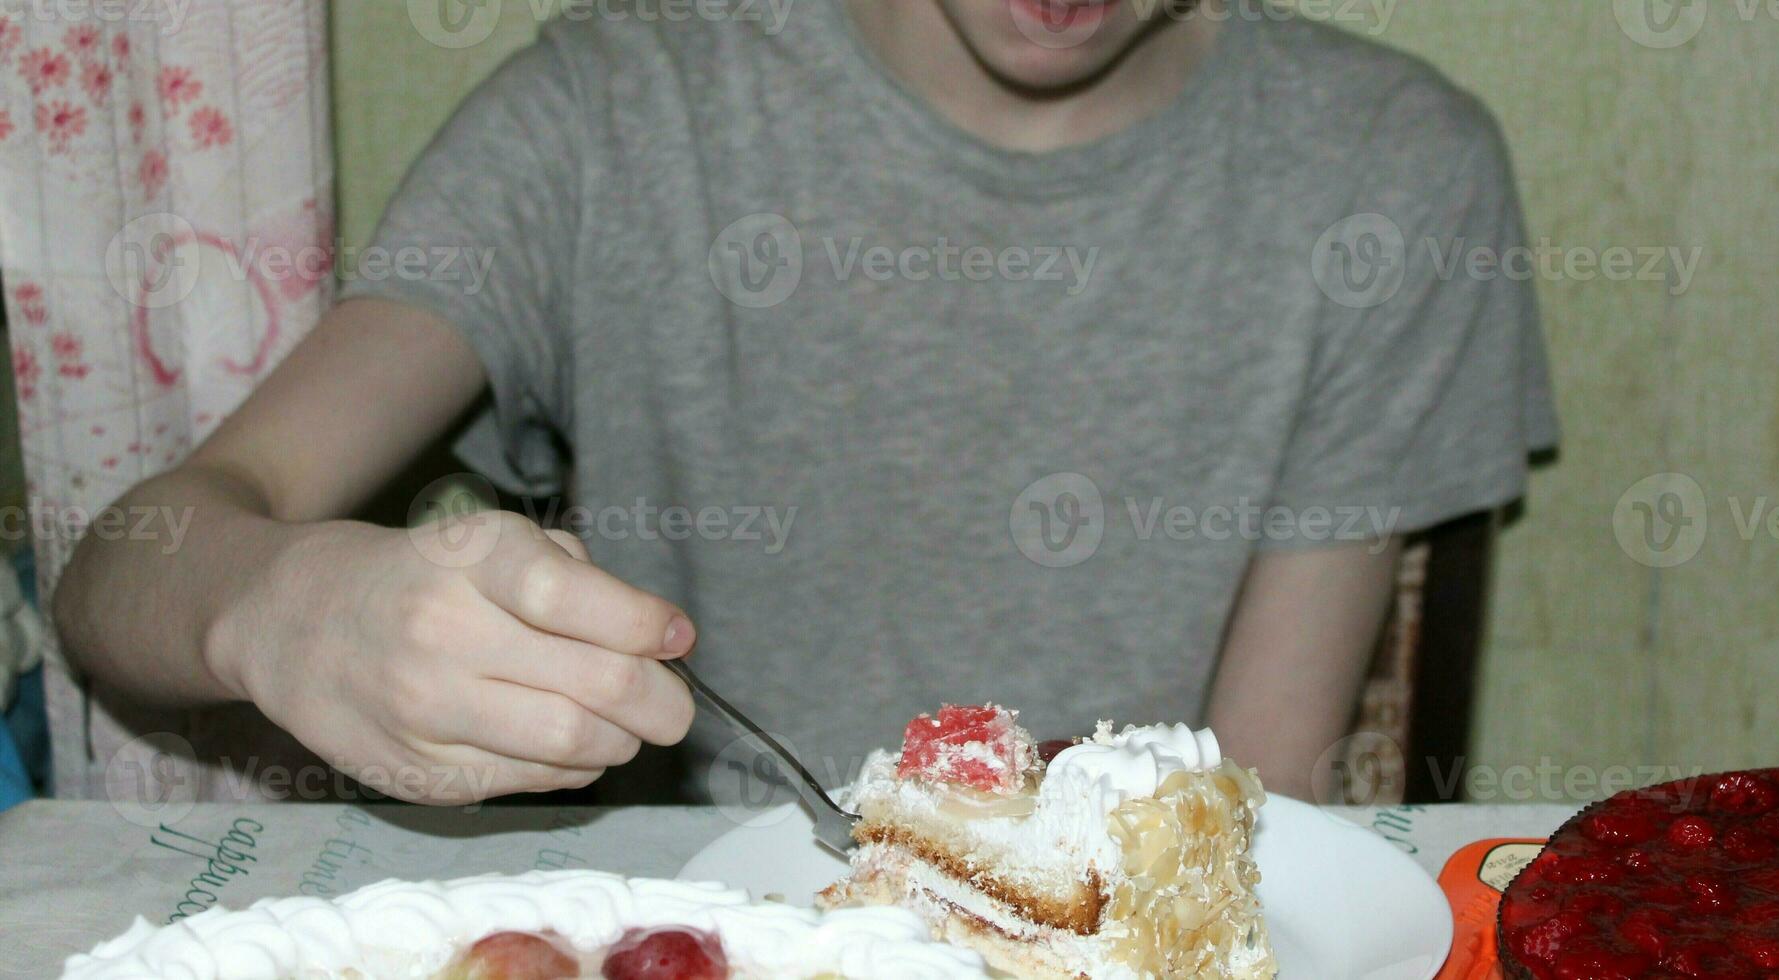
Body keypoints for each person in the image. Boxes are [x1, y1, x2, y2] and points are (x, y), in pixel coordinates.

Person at [53, 0, 1556, 806]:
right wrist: (291, 604)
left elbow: (1256, 806)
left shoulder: (1391, 173)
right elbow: (127, 563)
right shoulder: (615, 113)